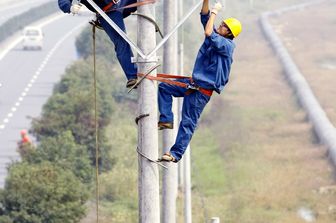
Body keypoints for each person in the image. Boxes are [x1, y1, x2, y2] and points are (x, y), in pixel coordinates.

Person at [158, 0, 242, 162]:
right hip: (193, 84)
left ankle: (175, 154)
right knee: (164, 87)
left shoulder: (227, 45)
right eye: (222, 23)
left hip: (201, 93)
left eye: (224, 26)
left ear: (230, 33)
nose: (221, 25)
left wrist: (216, 11)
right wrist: (206, 2)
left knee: (188, 123)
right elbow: (205, 16)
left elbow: (208, 31)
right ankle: (166, 119)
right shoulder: (217, 36)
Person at [58, 0, 138, 88]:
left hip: (122, 2)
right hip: (108, 12)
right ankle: (132, 76)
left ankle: (150, 28)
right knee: (121, 42)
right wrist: (69, 7)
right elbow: (63, 1)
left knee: (146, 2)